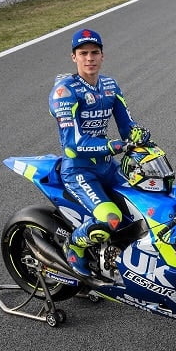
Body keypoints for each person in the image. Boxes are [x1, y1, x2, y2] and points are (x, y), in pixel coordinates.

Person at [49, 28, 151, 276]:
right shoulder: (65, 92)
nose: (89, 58)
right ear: (74, 57)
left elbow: (127, 125)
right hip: (79, 171)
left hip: (107, 167)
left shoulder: (110, 85)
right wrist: (113, 146)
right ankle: (74, 246)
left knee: (145, 208)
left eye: (94, 52)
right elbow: (72, 145)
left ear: (102, 55)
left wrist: (138, 134)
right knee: (110, 219)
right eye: (83, 53)